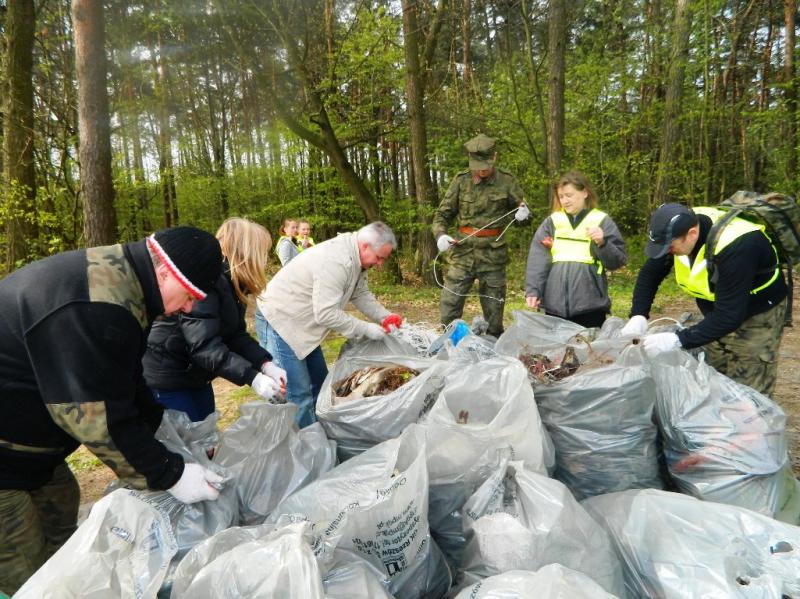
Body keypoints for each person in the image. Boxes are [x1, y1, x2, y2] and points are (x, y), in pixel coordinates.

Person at [0, 226, 225, 594]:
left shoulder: (126, 288)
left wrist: (165, 432)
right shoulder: (98, 306)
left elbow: (124, 380)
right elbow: (95, 417)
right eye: (189, 296)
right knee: (29, 574)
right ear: (165, 272)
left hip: (36, 455)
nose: (188, 308)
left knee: (67, 544)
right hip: (7, 458)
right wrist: (170, 474)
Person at [620, 203, 788, 396]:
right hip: (717, 310)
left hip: (758, 313)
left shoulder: (739, 245)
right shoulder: (675, 232)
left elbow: (729, 316)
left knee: (749, 385)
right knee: (716, 376)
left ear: (692, 234)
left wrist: (678, 339)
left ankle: (755, 413)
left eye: (670, 247)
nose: (666, 252)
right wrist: (638, 314)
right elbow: (649, 274)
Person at [257, 221, 403, 428]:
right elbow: (326, 313)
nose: (380, 264)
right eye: (379, 258)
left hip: (303, 325)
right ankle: (306, 446)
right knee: (298, 395)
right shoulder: (337, 261)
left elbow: (360, 293)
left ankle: (321, 435)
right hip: (280, 320)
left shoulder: (357, 259)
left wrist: (384, 316)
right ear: (365, 246)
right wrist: (366, 329)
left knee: (321, 386)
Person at [143, 218, 287, 422]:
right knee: (187, 440)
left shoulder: (234, 284)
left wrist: (265, 364)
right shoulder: (210, 282)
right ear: (248, 253)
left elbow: (235, 335)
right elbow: (204, 345)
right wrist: (252, 377)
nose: (265, 259)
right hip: (167, 378)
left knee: (206, 436)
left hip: (196, 377)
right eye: (263, 252)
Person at [432, 133, 530, 337]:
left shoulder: (507, 181)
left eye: (485, 165)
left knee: (494, 315)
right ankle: (449, 345)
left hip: (493, 255)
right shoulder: (461, 181)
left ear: (494, 157)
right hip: (463, 254)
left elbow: (524, 216)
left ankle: (492, 348)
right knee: (449, 306)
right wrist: (440, 235)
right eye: (477, 165)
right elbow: (442, 214)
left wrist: (524, 216)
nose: (481, 170)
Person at [524, 171, 627, 328]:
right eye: (561, 197)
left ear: (585, 193)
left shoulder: (601, 220)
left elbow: (617, 261)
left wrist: (602, 243)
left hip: (591, 307)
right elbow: (538, 261)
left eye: (569, 195)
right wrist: (533, 290)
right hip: (554, 307)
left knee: (590, 344)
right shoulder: (552, 222)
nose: (565, 201)